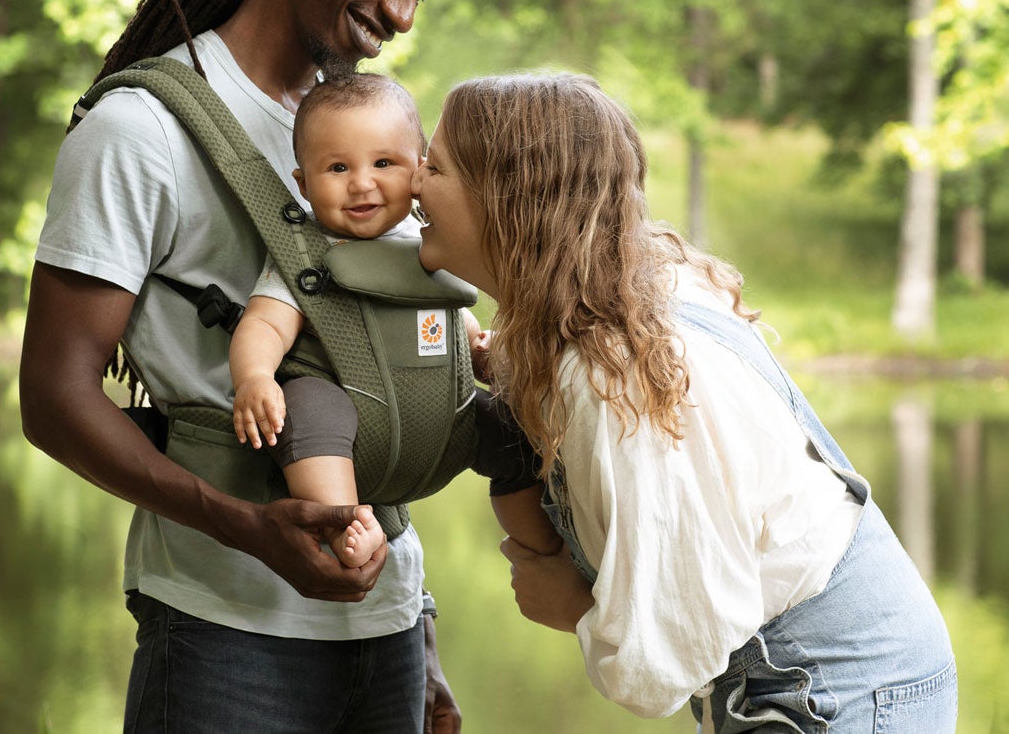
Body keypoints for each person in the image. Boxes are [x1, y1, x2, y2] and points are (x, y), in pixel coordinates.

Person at [19, 0, 471, 733]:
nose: (401, 15)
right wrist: (244, 527)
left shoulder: (366, 136)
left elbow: (379, 362)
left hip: (384, 633)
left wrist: (418, 634)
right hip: (224, 632)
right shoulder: (141, 132)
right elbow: (53, 399)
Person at [410, 72, 958, 733]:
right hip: (849, 682)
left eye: (433, 166)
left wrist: (575, 608)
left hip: (836, 698)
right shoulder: (632, 305)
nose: (411, 182)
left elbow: (669, 658)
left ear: (504, 197)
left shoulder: (616, 383)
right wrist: (509, 360)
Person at [228, 72, 561, 569]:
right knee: (306, 409)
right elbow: (265, 324)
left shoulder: (429, 240)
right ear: (303, 182)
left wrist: (478, 349)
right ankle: (351, 526)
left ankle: (540, 549)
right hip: (350, 425)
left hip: (444, 419)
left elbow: (445, 311)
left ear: (420, 169)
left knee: (515, 435)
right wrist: (254, 377)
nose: (362, 183)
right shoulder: (306, 253)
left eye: (384, 163)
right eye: (337, 167)